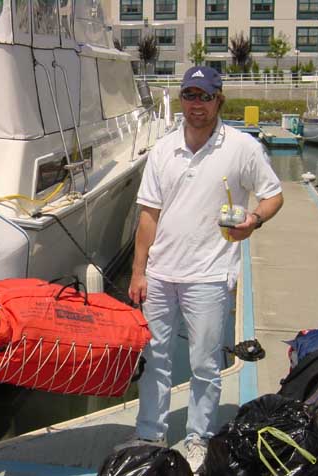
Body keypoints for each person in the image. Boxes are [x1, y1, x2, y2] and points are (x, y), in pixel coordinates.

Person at [124, 66, 284, 473]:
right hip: (160, 275)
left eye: (205, 96)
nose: (197, 104)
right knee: (155, 358)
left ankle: (198, 438)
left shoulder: (242, 148)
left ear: (219, 100)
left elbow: (273, 196)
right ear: (182, 99)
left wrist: (255, 220)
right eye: (190, 95)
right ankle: (149, 434)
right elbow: (148, 215)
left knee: (204, 366)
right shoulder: (162, 150)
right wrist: (139, 271)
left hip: (210, 275)